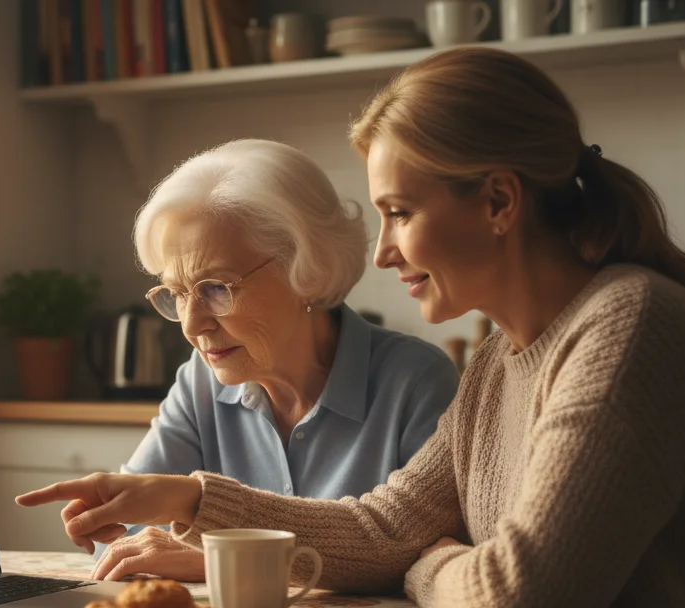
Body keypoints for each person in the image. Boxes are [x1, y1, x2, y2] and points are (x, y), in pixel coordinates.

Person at [21, 48, 685, 608]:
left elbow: (522, 603)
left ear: (499, 200)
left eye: (399, 212)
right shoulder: (504, 353)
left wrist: (422, 564)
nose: (383, 251)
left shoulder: (628, 327)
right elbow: (387, 524)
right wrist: (196, 498)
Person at [92, 138, 458, 582]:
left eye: (216, 288)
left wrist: (224, 562)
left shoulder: (416, 382)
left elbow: (429, 556)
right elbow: (122, 541)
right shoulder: (200, 383)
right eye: (177, 293)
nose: (192, 326)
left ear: (308, 270)